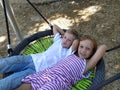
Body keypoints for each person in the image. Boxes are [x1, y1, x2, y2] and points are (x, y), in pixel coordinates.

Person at [0, 24, 79, 90]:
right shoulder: (58, 40)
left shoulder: (68, 53)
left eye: (69, 40)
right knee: (7, 62)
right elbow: (55, 26)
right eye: (65, 38)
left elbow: (76, 42)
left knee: (10, 82)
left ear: (72, 43)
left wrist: (73, 38)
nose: (65, 41)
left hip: (36, 71)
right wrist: (63, 33)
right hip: (31, 59)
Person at [16, 35, 107, 90]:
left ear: (92, 52)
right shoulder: (70, 53)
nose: (83, 51)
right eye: (81, 47)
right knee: (25, 86)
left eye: (88, 49)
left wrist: (93, 51)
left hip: (59, 82)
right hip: (46, 74)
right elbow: (75, 41)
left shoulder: (86, 65)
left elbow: (103, 47)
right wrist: (82, 41)